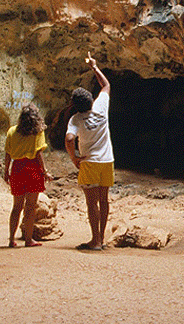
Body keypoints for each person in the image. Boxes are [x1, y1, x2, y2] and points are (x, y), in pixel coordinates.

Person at [65, 52, 114, 251]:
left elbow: (69, 139)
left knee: (92, 203)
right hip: (107, 160)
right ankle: (101, 238)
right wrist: (94, 67)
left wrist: (74, 158)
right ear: (91, 100)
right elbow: (106, 85)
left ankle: (95, 241)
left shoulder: (76, 119)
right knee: (104, 200)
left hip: (90, 162)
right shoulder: (101, 107)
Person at [4, 103, 52, 247]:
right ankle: (28, 239)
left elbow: (8, 153)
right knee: (30, 207)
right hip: (33, 169)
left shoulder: (12, 131)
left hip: (17, 169)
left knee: (16, 207)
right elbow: (38, 153)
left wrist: (6, 171)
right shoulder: (38, 132)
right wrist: (45, 171)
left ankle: (11, 239)